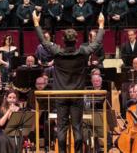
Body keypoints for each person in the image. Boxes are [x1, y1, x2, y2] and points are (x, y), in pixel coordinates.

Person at [33, 10, 105, 153]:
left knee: (62, 128)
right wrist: (101, 25)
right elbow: (96, 44)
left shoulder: (57, 51)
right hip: (77, 95)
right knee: (77, 127)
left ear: (63, 40)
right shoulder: (83, 51)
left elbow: (43, 41)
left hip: (61, 95)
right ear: (76, 40)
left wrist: (36, 22)